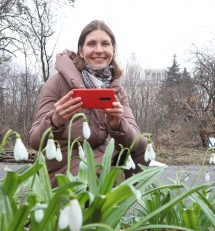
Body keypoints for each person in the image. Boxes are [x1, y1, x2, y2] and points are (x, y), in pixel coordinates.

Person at [29, 20, 150, 186]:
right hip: (65, 161)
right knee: (100, 174)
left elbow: (138, 141)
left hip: (102, 158)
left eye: (105, 44)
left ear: (113, 50)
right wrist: (55, 121)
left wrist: (118, 125)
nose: (99, 50)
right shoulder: (57, 82)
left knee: (143, 150)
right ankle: (105, 201)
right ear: (81, 50)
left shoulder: (117, 89)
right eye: (91, 44)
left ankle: (115, 202)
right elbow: (35, 141)